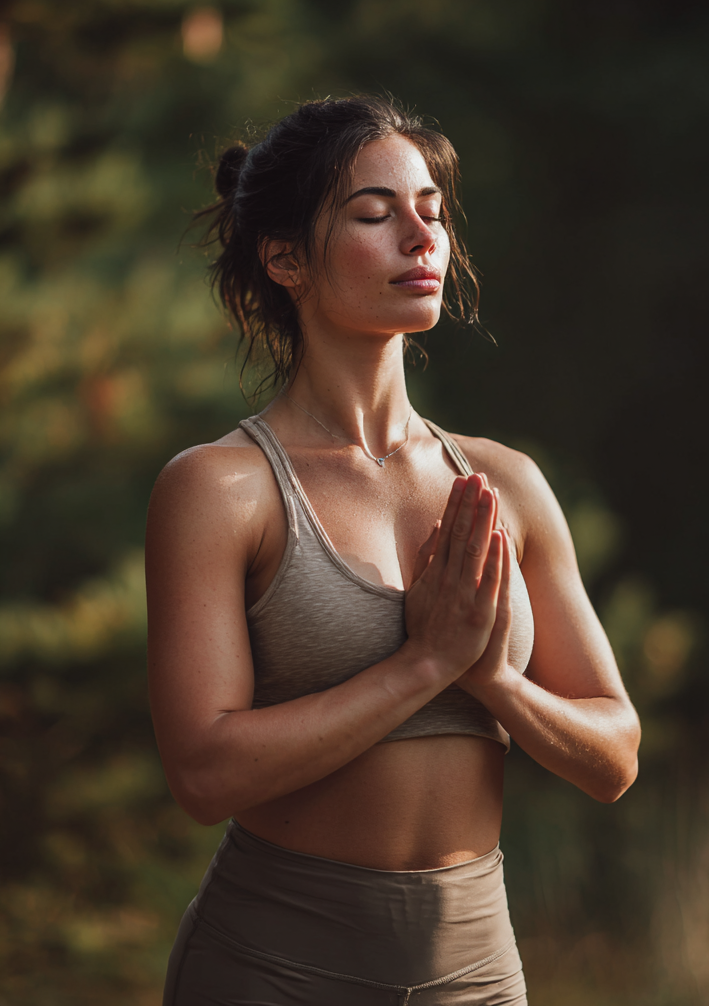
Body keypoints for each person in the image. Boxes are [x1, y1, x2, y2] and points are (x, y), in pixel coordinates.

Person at [146, 95, 641, 1006]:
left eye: (433, 212)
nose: (422, 236)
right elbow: (205, 772)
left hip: (477, 973)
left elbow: (613, 755)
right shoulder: (221, 489)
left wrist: (492, 680)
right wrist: (424, 665)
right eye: (376, 215)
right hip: (272, 970)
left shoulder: (506, 482)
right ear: (285, 257)